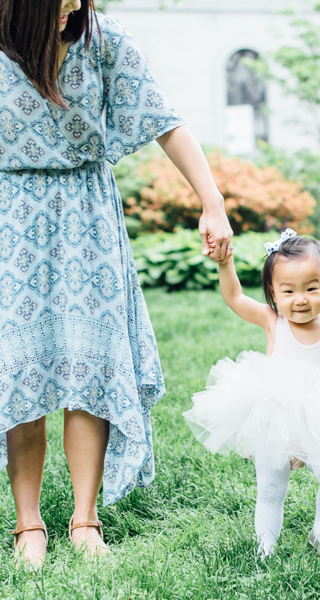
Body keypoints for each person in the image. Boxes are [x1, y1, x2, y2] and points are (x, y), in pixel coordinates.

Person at [0, 0, 232, 565]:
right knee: (19, 365)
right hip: (10, 217)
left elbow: (165, 122)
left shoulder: (103, 42)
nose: (75, 6)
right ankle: (28, 525)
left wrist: (212, 202)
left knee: (92, 362)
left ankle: (85, 519)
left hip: (87, 214)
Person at [183, 229, 320, 557]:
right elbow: (235, 298)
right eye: (288, 290)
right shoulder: (273, 321)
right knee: (272, 484)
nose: (300, 298)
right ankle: (266, 543)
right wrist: (225, 262)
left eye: (311, 288)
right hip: (274, 413)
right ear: (273, 294)